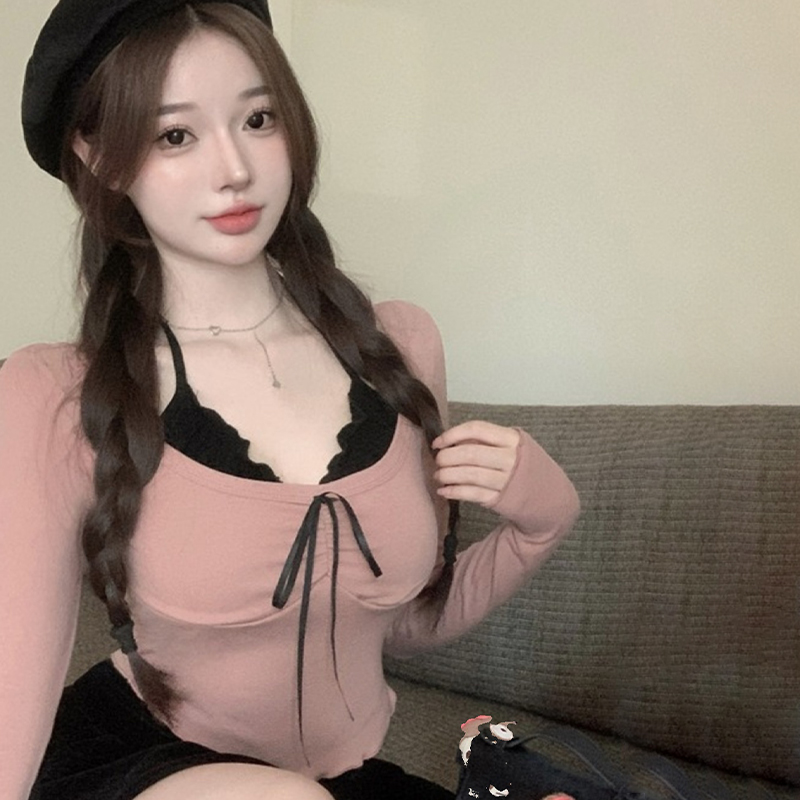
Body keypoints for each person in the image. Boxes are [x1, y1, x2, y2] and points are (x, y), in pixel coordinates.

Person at [0, 1, 580, 798]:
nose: (234, 168)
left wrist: (544, 522)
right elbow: (13, 686)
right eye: (176, 136)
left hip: (339, 779)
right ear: (100, 157)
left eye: (258, 119)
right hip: (138, 764)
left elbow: (406, 620)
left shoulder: (402, 348)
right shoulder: (53, 394)